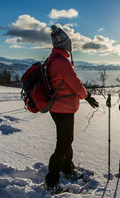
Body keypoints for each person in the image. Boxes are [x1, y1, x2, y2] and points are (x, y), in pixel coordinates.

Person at [44, 25, 99, 188]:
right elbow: (75, 84)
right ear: (65, 44)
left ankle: (67, 167)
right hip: (63, 108)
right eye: (69, 43)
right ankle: (52, 181)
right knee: (63, 142)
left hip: (58, 107)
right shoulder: (61, 62)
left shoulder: (52, 58)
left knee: (66, 139)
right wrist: (87, 96)